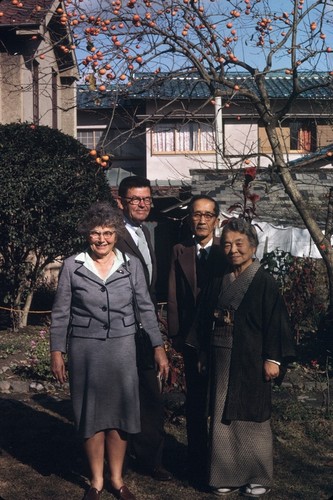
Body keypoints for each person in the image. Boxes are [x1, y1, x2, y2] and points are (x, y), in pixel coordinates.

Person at [50, 202, 169, 500]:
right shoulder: (71, 266)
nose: (101, 239)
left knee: (121, 414)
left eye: (107, 233)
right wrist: (56, 352)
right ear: (86, 235)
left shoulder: (131, 264)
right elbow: (61, 313)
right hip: (85, 349)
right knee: (90, 415)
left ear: (116, 234)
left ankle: (117, 479)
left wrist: (158, 347)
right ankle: (96, 481)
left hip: (123, 349)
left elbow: (145, 308)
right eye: (94, 233)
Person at [197, 217, 295, 497]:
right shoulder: (219, 278)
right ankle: (224, 474)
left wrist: (273, 359)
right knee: (220, 416)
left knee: (253, 415)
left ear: (253, 245)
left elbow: (276, 322)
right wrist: (203, 351)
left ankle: (258, 476)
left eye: (239, 243)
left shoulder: (264, 281)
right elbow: (205, 317)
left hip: (252, 355)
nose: (233, 250)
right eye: (227, 244)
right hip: (221, 353)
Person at [167, 194, 227, 486]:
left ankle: (223, 462)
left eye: (207, 215)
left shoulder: (227, 251)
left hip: (222, 338)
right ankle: (196, 461)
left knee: (222, 401)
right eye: (196, 214)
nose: (201, 220)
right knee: (195, 402)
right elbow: (174, 296)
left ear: (217, 219)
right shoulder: (180, 250)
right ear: (189, 218)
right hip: (191, 338)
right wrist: (176, 334)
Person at [116, 176, 172, 481]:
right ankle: (118, 463)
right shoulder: (112, 235)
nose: (142, 204)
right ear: (121, 202)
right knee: (121, 396)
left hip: (144, 330)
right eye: (135, 199)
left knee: (150, 396)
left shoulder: (146, 233)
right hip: (119, 331)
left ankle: (151, 459)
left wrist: (154, 336)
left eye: (147, 199)